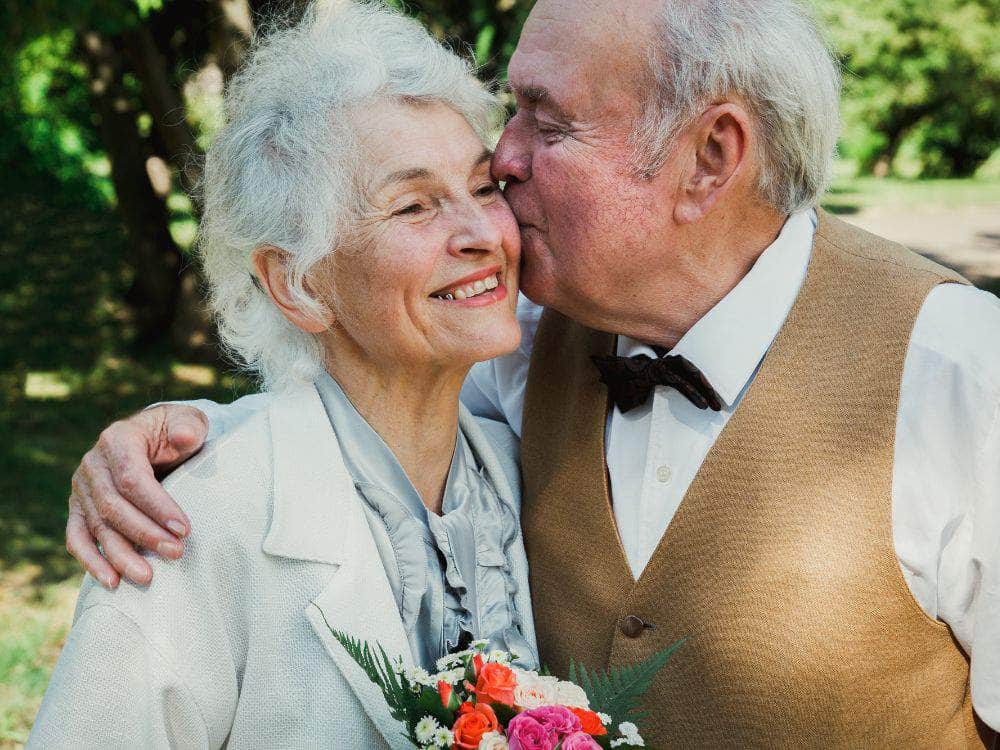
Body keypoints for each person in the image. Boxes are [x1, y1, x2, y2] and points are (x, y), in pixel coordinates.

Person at [65, 0, 1000, 747]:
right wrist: (178, 441)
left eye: (546, 124)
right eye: (510, 113)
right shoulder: (523, 349)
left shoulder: (960, 377)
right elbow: (348, 396)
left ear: (711, 157)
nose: (504, 164)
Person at [29, 4, 537, 748]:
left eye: (484, 187)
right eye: (414, 205)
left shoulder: (522, 471)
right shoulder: (188, 527)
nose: (483, 234)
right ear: (297, 282)